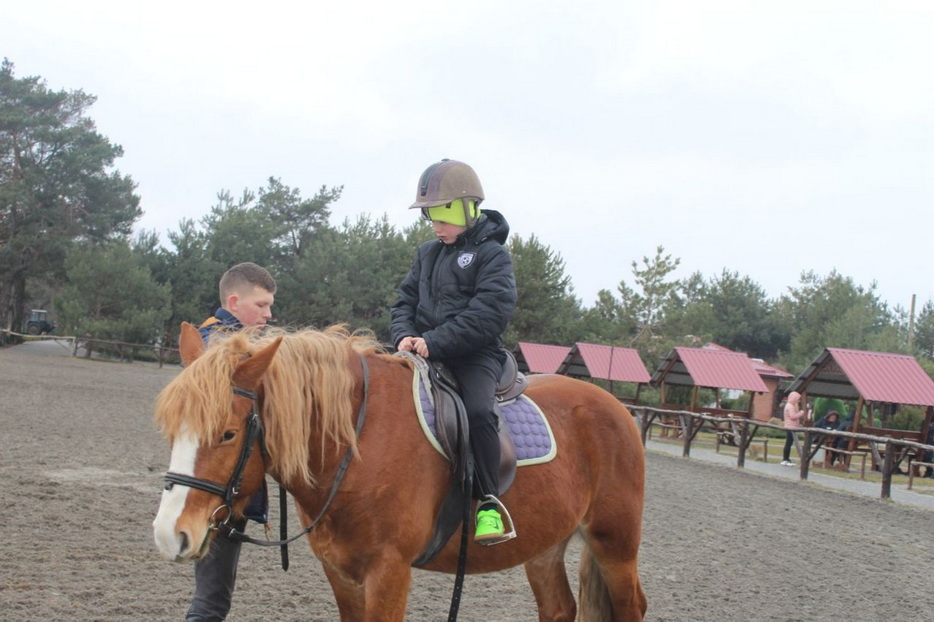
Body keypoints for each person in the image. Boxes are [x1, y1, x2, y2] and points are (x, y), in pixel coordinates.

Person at [390, 158, 518, 543]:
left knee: (478, 411)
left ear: (468, 208)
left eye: (443, 215)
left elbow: (489, 312)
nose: (436, 225)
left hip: (473, 355)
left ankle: (489, 503)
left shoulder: (493, 256)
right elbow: (404, 301)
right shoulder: (427, 253)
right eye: (431, 215)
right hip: (421, 350)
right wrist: (404, 334)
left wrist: (436, 341)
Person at [187, 261, 276, 621]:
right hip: (215, 484)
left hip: (225, 482)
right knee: (211, 601)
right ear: (235, 302)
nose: (269, 314)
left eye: (270, 306)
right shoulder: (215, 343)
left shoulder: (237, 341)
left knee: (214, 598)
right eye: (262, 305)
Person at [781, 391, 810, 466]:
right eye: (798, 399)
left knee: (789, 443)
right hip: (790, 427)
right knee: (788, 443)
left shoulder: (790, 405)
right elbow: (793, 416)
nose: (798, 401)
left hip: (791, 426)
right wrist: (801, 413)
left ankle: (786, 459)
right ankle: (785, 459)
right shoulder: (790, 406)